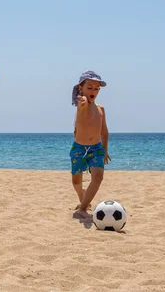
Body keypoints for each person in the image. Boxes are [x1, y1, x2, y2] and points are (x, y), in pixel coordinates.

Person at [69, 70, 111, 219]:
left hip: (96, 148)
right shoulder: (82, 104)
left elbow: (104, 132)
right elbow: (82, 102)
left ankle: (82, 208)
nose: (93, 91)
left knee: (98, 177)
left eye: (96, 88)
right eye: (90, 87)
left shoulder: (101, 109)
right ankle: (82, 196)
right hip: (79, 148)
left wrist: (105, 149)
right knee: (76, 181)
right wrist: (82, 100)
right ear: (81, 88)